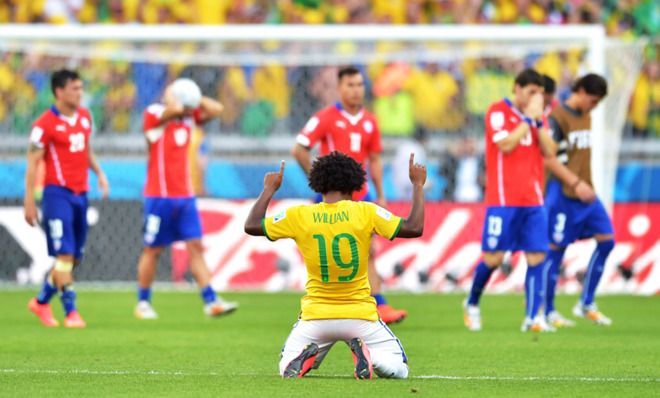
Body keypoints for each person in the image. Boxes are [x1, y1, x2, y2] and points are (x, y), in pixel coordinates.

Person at [244, 151, 426, 379]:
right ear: (355, 184)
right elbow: (414, 227)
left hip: (316, 318)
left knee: (286, 367)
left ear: (317, 184)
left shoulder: (299, 215)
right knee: (398, 368)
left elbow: (251, 225)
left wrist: (269, 188)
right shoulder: (365, 211)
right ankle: (370, 355)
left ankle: (304, 357)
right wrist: (417, 184)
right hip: (360, 316)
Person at [291, 66, 407, 324]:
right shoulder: (325, 117)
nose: (356, 90)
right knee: (330, 252)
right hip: (333, 198)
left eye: (359, 85)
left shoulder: (370, 121)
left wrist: (381, 194)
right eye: (350, 85)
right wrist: (320, 181)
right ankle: (321, 303)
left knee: (369, 252)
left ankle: (380, 305)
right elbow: (299, 149)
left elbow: (374, 158)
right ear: (339, 88)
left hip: (362, 196)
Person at [134, 78, 237, 319]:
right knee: (153, 250)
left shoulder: (189, 118)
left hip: (185, 197)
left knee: (196, 247)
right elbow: (174, 110)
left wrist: (194, 95)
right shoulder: (154, 113)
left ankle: (211, 301)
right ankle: (143, 303)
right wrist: (178, 98)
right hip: (159, 196)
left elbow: (217, 109)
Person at [463, 69, 557, 332]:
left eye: (539, 93)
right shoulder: (497, 111)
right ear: (517, 88)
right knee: (493, 259)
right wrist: (529, 119)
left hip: (534, 199)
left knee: (537, 255)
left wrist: (537, 122)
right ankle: (472, 303)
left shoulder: (539, 118)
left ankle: (532, 317)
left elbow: (550, 151)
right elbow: (506, 144)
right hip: (503, 200)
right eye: (531, 92)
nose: (536, 98)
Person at [25, 68, 110, 328]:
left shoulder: (85, 117)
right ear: (59, 92)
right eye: (75, 88)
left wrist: (99, 172)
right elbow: (32, 163)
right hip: (56, 194)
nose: (80, 93)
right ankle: (71, 312)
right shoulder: (43, 125)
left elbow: (85, 149)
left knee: (73, 258)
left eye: (81, 88)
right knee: (64, 256)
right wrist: (29, 201)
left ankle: (40, 303)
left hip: (80, 194)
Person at [543, 74, 613, 327]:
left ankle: (586, 302)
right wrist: (575, 183)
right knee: (555, 251)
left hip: (587, 193)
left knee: (607, 240)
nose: (594, 106)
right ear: (581, 91)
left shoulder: (586, 115)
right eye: (592, 100)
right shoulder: (557, 118)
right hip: (564, 193)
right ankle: (547, 310)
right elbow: (549, 159)